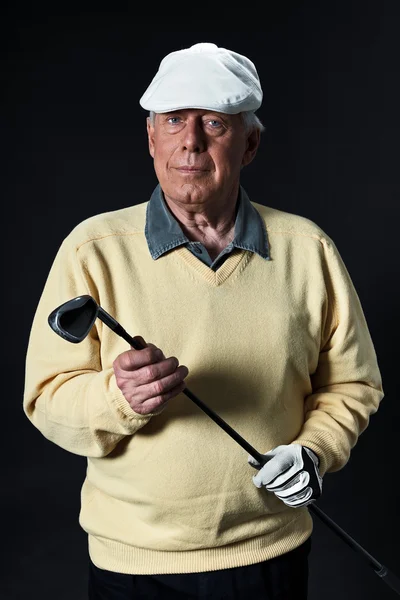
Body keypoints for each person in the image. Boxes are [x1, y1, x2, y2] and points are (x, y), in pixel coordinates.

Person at [23, 42, 384, 600]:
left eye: (214, 123)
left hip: (270, 552)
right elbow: (46, 398)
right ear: (151, 139)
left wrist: (313, 449)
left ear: (250, 144)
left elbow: (353, 385)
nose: (190, 141)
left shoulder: (307, 249)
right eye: (173, 122)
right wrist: (118, 398)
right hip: (133, 565)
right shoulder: (91, 249)